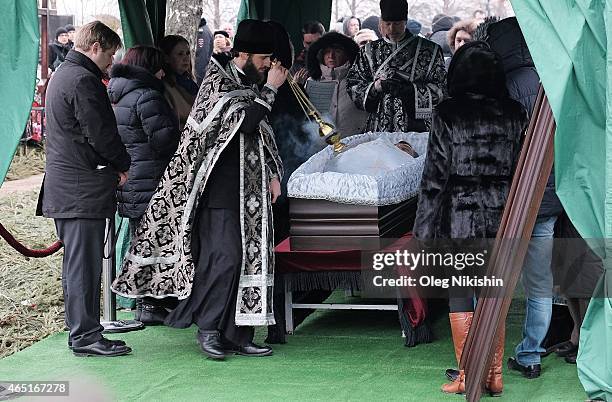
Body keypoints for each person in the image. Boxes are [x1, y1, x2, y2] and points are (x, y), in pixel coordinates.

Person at [112, 19, 287, 361]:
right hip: (217, 190)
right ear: (245, 54)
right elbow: (245, 121)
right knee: (223, 259)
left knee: (248, 260)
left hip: (250, 189)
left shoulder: (249, 82)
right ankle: (208, 329)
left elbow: (262, 131)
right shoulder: (217, 82)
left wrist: (274, 173)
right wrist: (271, 89)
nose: (268, 64)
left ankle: (238, 334)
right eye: (265, 57)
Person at [413, 41, 528, 396]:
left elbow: (434, 178)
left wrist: (423, 230)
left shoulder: (448, 113)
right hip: (503, 214)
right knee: (494, 294)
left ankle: (467, 375)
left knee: (460, 294)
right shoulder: (514, 113)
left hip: (459, 216)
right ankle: (494, 374)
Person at [40, 20, 132, 357]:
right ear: (94, 46)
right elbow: (101, 133)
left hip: (72, 185)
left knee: (79, 266)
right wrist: (123, 163)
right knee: (83, 268)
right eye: (109, 55)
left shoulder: (65, 74)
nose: (111, 63)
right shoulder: (82, 80)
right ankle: (85, 336)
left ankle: (84, 331)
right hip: (81, 187)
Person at [107, 45, 181, 324]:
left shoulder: (115, 94)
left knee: (142, 242)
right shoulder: (148, 96)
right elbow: (165, 141)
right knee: (155, 244)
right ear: (150, 68)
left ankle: (148, 302)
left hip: (130, 181)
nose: (164, 72)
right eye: (160, 66)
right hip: (152, 181)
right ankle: (151, 303)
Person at [346, 0, 447, 133]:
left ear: (405, 22)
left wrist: (412, 90)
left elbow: (442, 88)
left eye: (397, 24)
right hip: (378, 125)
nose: (392, 29)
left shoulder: (430, 50)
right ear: (381, 23)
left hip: (417, 127)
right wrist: (376, 87)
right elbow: (353, 84)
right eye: (387, 24)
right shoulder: (368, 51)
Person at [305, 32, 368, 137]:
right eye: (327, 52)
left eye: (337, 51)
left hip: (355, 144)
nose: (331, 56)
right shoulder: (311, 82)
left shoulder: (359, 80)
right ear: (321, 54)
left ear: (348, 54)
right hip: (320, 145)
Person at [159, 35, 198, 131]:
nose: (186, 58)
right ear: (167, 58)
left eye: (187, 53)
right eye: (180, 54)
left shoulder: (190, 83)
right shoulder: (165, 87)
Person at [195, 17, 214, 86]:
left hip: (200, 75)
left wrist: (198, 78)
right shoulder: (203, 30)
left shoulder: (202, 32)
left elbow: (202, 57)